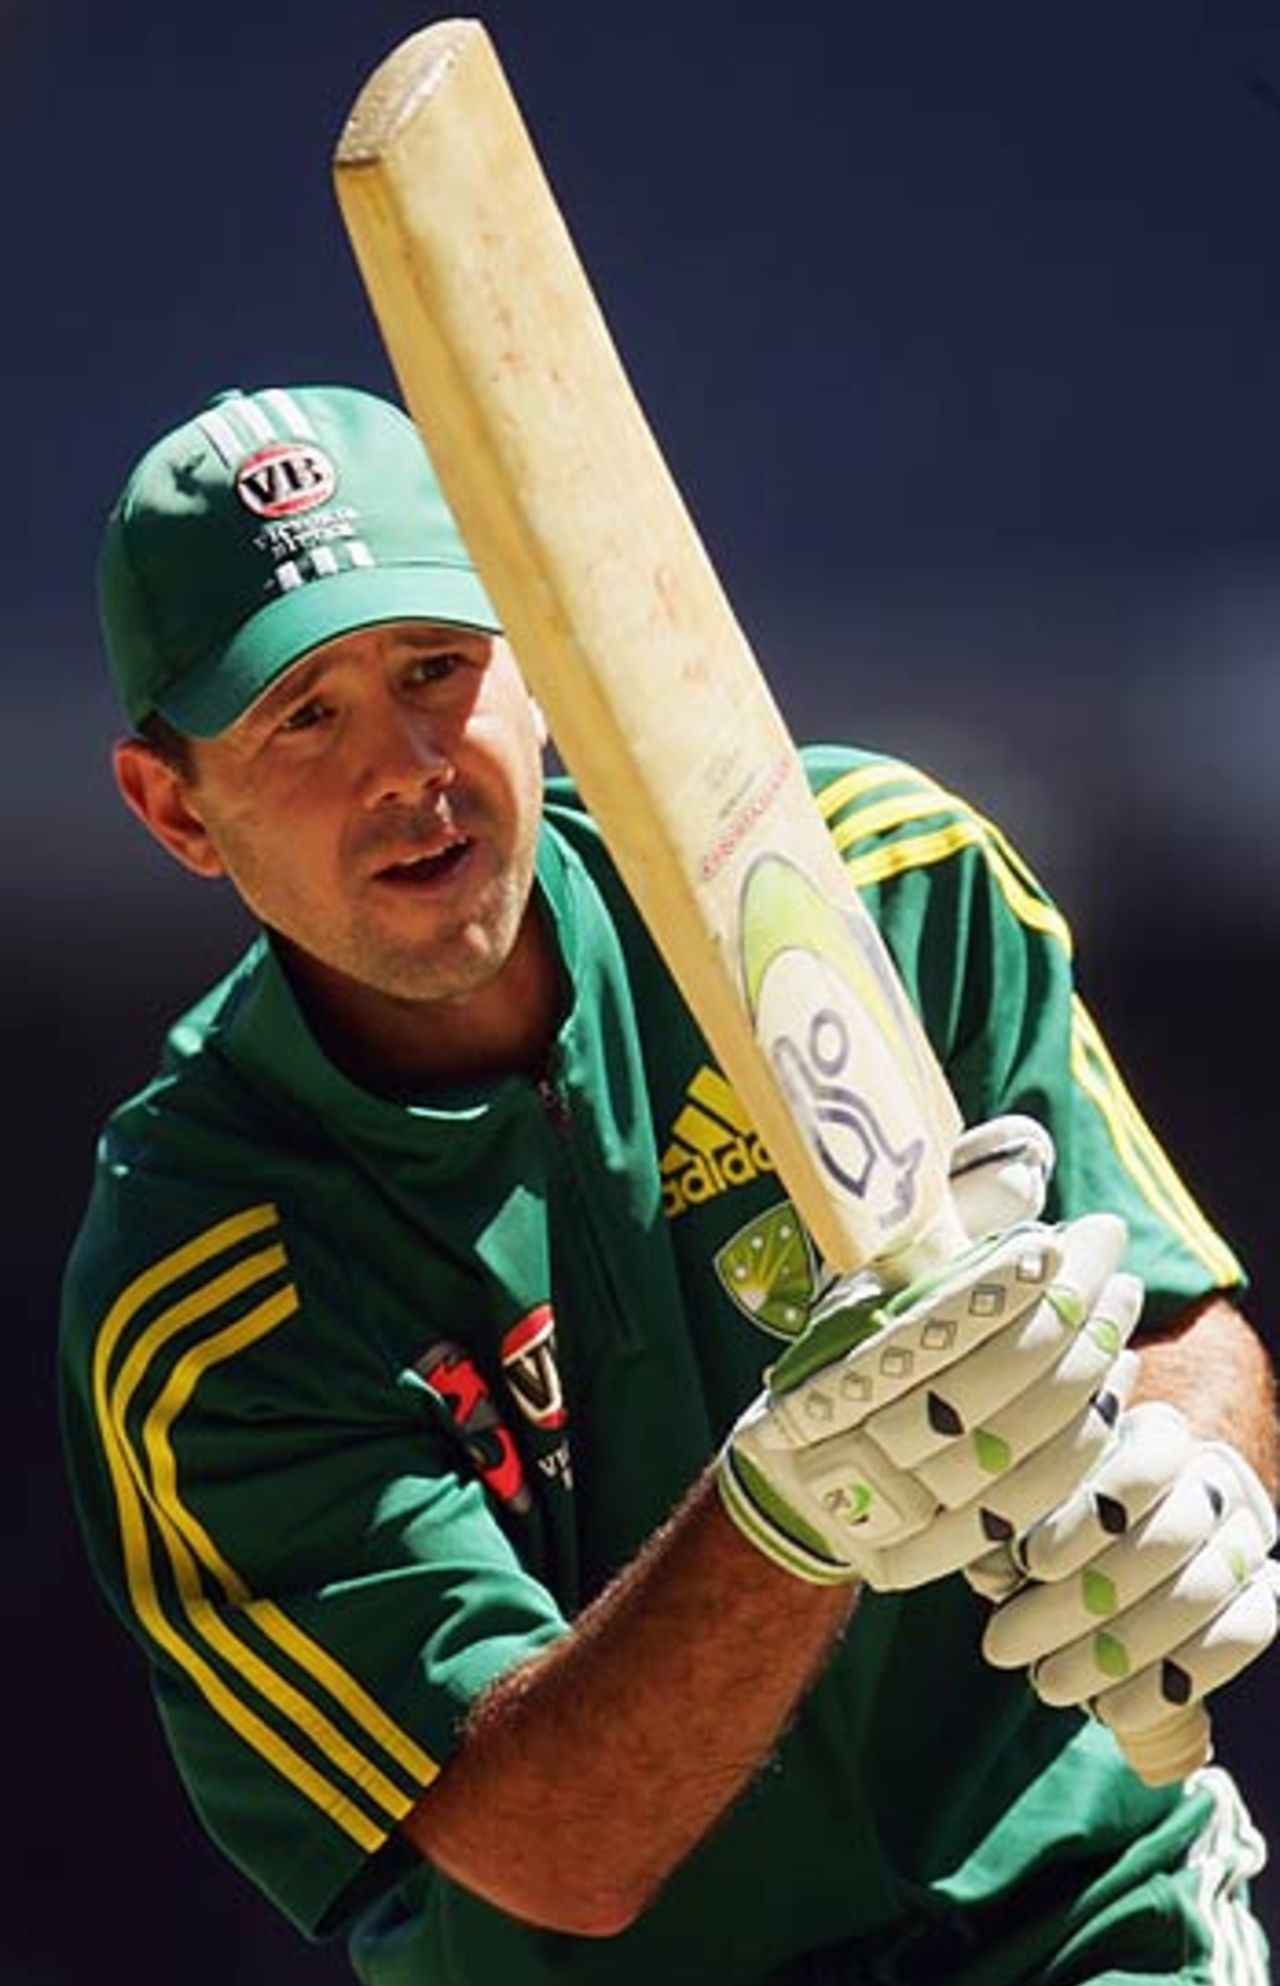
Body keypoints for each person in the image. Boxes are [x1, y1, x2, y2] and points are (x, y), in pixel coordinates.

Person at [60, 382, 1279, 1986]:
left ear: (536, 664)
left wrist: (1188, 1475)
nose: (409, 766)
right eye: (305, 714)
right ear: (174, 808)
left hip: (1077, 1915)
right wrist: (796, 1503)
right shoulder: (199, 1279)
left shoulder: (871, 883)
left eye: (438, 668)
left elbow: (1176, 1303)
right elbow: (552, 1844)